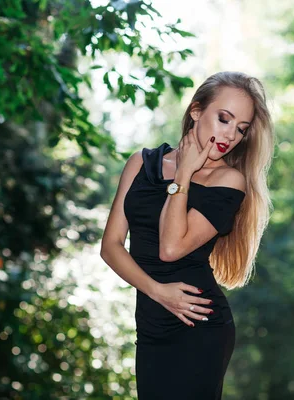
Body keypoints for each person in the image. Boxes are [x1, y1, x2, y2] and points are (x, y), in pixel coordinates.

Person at [100, 71, 275, 399]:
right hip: (151, 322)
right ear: (196, 111)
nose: (230, 135)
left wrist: (183, 173)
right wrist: (157, 291)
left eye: (240, 128)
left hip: (198, 325)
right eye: (224, 119)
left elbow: (170, 247)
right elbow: (110, 247)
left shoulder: (228, 181)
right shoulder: (141, 162)